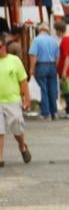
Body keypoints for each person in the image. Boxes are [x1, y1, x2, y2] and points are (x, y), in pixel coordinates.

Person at [0, 36, 32, 167]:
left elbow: (23, 81)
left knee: (17, 128)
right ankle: (0, 157)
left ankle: (22, 146)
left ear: (4, 46)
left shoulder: (14, 61)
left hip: (12, 100)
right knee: (0, 130)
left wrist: (27, 99)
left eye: (0, 47)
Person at [28, 23, 60, 120]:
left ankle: (46, 113)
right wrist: (55, 67)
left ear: (39, 30)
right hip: (52, 65)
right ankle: (54, 112)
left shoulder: (36, 40)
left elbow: (33, 55)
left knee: (43, 89)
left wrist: (32, 69)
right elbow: (57, 56)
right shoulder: (54, 40)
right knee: (52, 89)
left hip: (41, 65)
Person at [54, 21, 69, 119]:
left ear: (58, 30)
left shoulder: (66, 40)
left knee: (68, 92)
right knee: (67, 91)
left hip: (68, 71)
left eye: (56, 30)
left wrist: (64, 70)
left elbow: (68, 56)